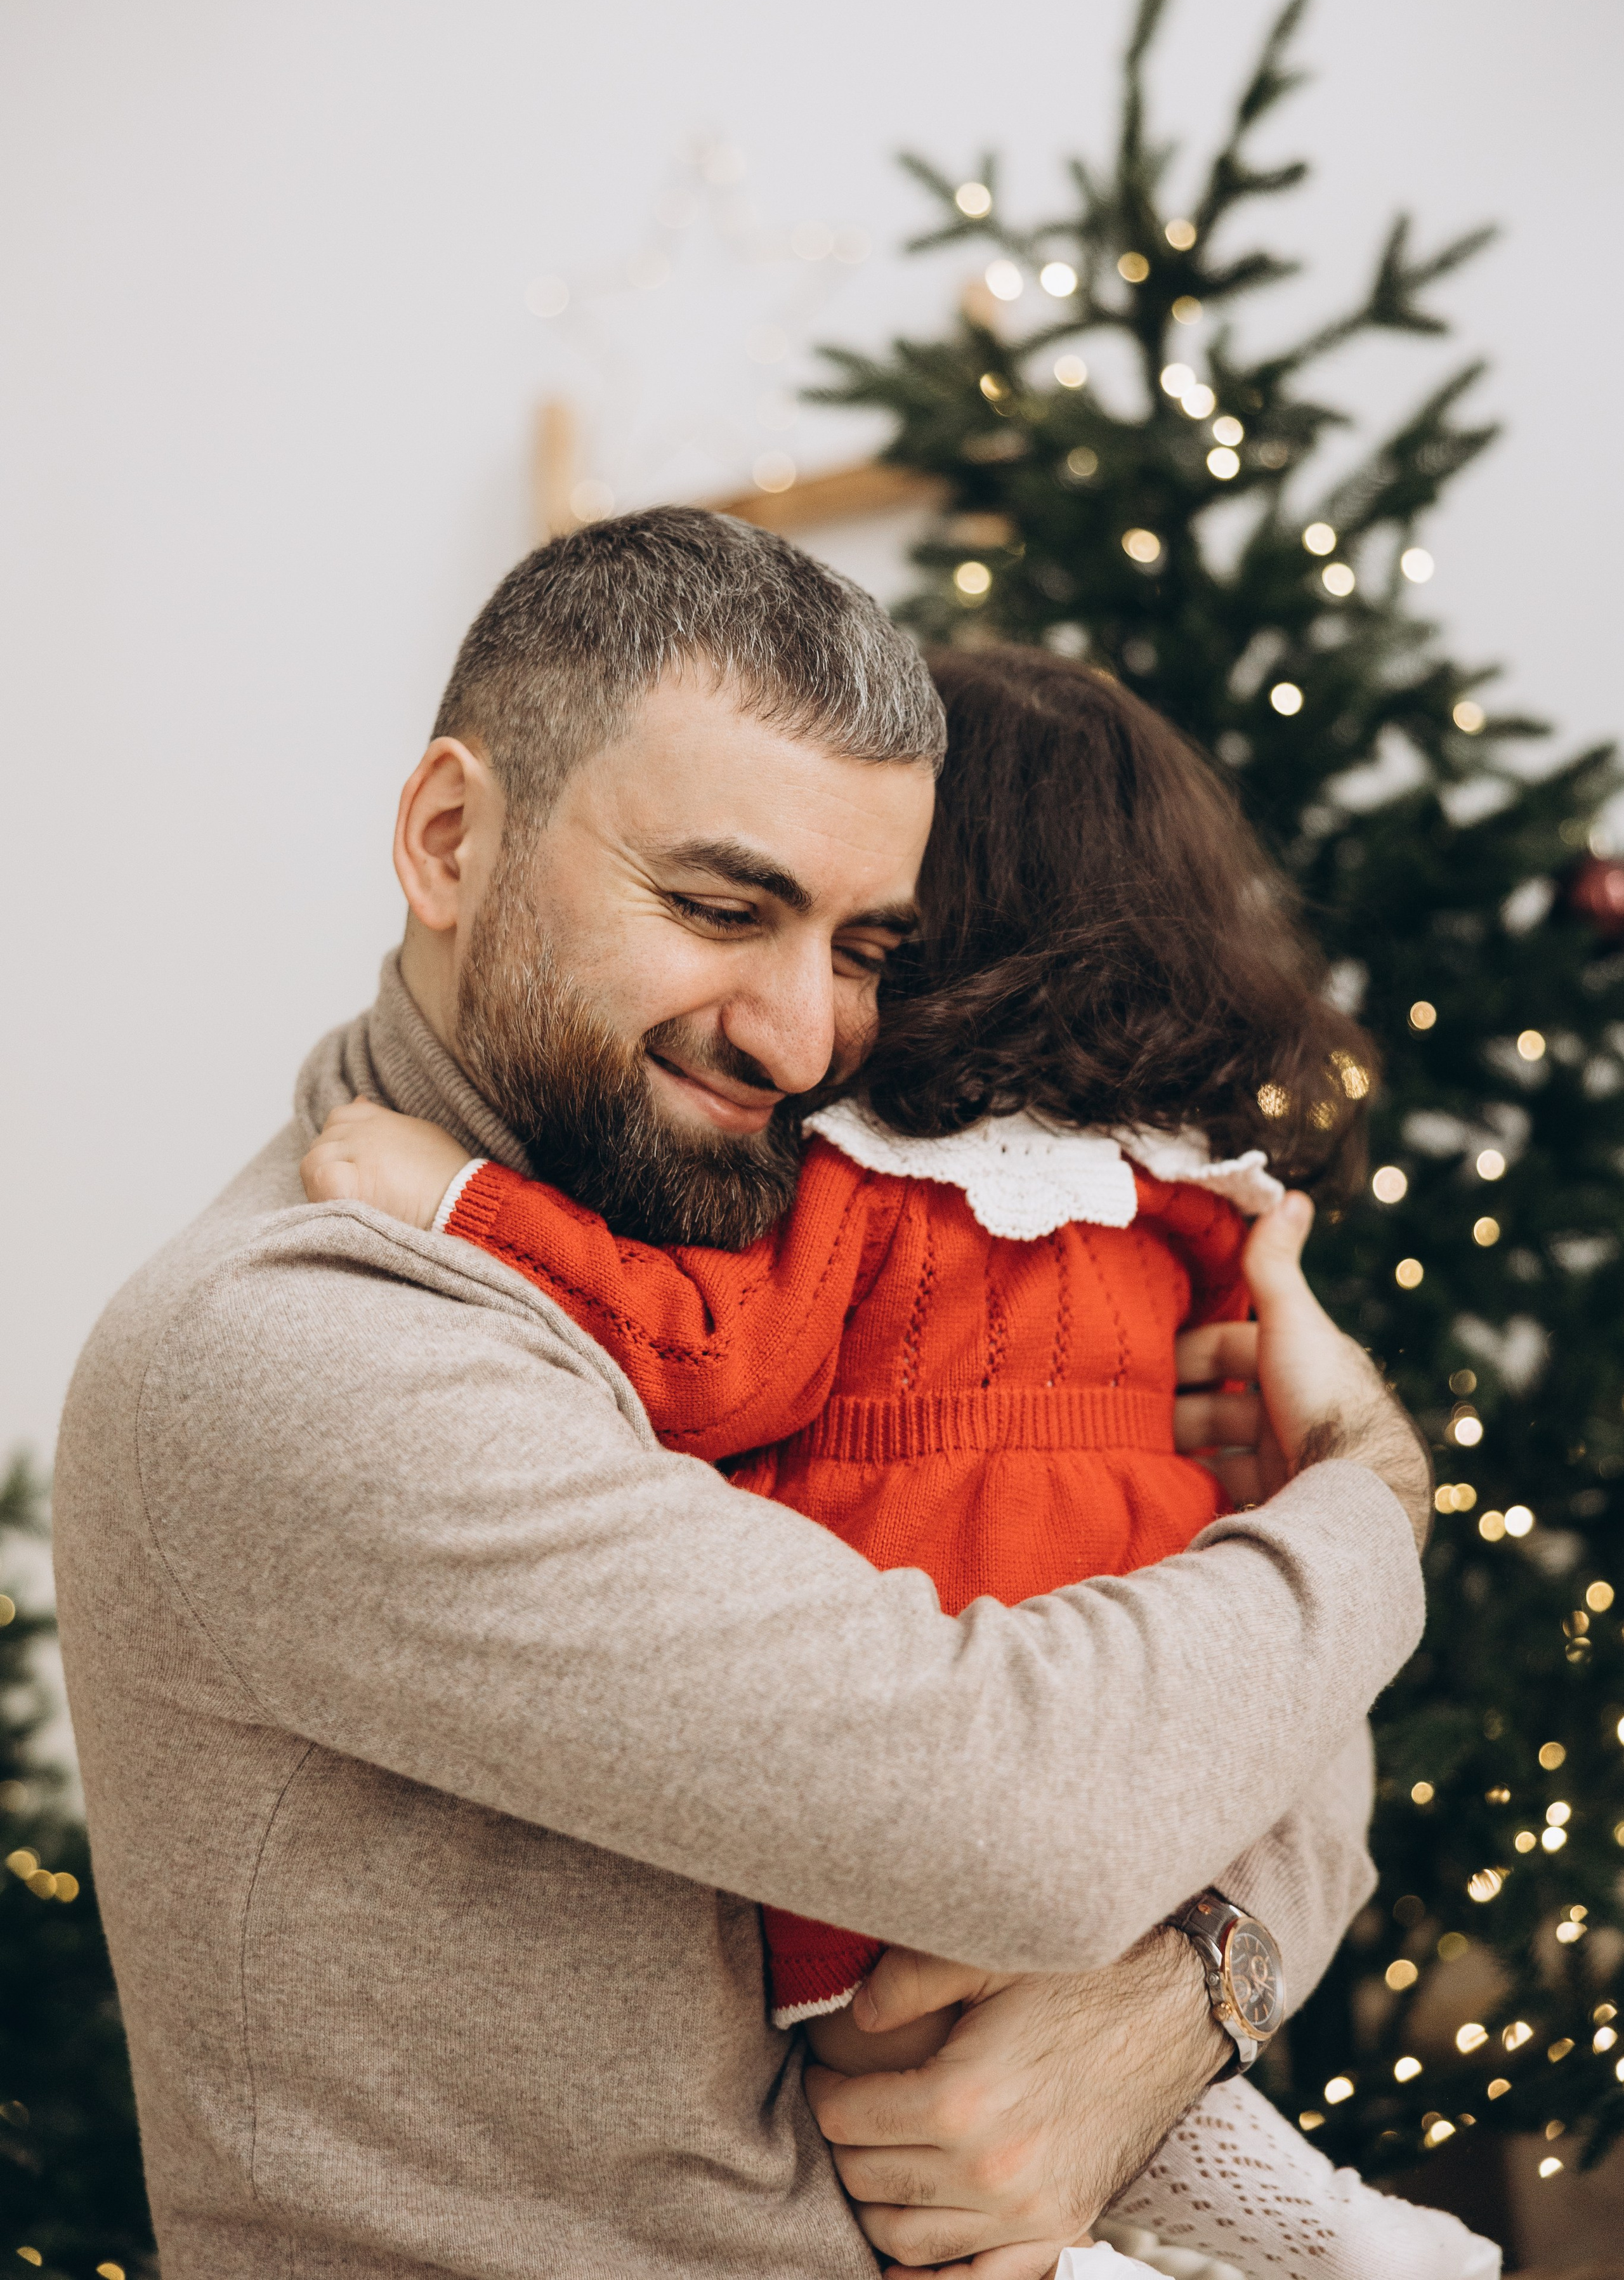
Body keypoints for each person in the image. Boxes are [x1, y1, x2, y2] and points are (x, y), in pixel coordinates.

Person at [56, 511, 1431, 2280]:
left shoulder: (801, 1220)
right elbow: (1041, 1805)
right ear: (452, 840)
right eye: (722, 908)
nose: (799, 1039)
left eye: (867, 950)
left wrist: (1177, 2000)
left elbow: (1248, 1690)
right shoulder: (298, 1349)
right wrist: (1369, 1489)